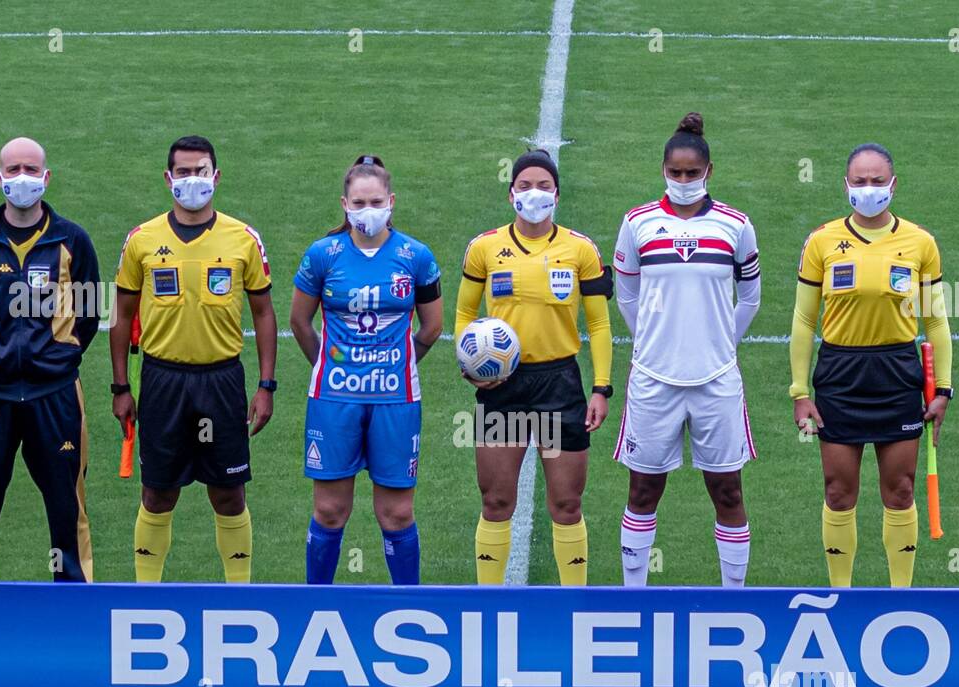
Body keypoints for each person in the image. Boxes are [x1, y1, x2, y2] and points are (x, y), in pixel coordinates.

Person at [112, 135, 278, 583]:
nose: (192, 180)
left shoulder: (243, 238)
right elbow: (121, 313)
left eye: (200, 171)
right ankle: (146, 595)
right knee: (157, 493)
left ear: (216, 177)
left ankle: (239, 596)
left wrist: (266, 386)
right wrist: (121, 387)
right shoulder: (142, 239)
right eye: (183, 172)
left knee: (229, 493)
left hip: (222, 381)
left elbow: (263, 312)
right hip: (162, 381)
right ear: (168, 179)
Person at [789, 142, 953, 587]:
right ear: (846, 186)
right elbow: (804, 321)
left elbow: (935, 319)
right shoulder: (822, 241)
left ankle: (900, 595)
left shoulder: (920, 242)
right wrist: (800, 392)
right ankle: (841, 594)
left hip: (898, 375)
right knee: (838, 492)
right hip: (840, 376)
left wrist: (943, 391)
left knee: (899, 491)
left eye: (877, 181)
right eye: (859, 181)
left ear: (893, 185)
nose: (868, 189)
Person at [613, 112, 762, 588]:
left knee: (728, 490)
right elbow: (628, 295)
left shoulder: (735, 226)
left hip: (717, 380)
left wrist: (719, 344)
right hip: (653, 379)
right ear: (662, 170)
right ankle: (634, 600)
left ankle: (733, 601)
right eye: (674, 173)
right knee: (643, 489)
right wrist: (653, 342)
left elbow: (752, 297)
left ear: (708, 172)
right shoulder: (637, 223)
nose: (682, 181)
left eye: (691, 173)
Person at [455, 149, 614, 585]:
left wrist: (601, 388)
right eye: (525, 185)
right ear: (511, 195)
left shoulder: (580, 249)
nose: (534, 193)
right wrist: (469, 365)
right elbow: (464, 316)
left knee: (566, 504)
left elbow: (598, 323)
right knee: (496, 502)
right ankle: (490, 602)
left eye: (543, 186)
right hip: (500, 387)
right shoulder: (484, 248)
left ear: (557, 194)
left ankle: (572, 602)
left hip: (560, 384)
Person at [0, 136, 99, 581]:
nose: (22, 178)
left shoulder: (72, 240)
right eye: (13, 170)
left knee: (67, 513)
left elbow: (88, 314)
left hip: (54, 396)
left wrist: (56, 356)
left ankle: (74, 609)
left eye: (31, 170)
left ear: (46, 178)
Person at [288, 155, 443, 584]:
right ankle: (316, 603)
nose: (367, 209)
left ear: (391, 201)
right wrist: (331, 363)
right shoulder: (323, 254)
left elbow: (432, 328)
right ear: (345, 203)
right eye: (359, 202)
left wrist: (396, 362)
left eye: (375, 200)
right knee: (330, 511)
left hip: (396, 398)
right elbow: (300, 322)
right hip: (334, 398)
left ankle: (408, 605)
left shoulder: (416, 256)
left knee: (396, 513)